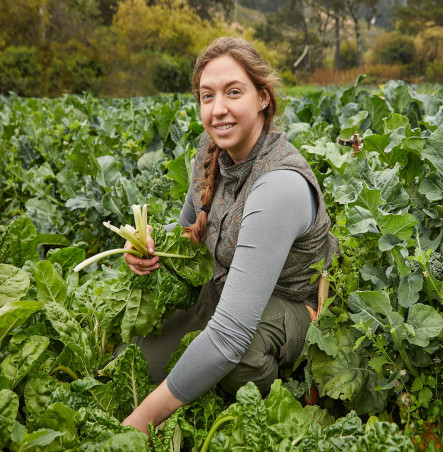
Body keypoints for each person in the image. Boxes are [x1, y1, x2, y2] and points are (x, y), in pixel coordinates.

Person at [120, 36, 338, 437]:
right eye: (207, 96)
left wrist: (139, 425)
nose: (218, 109)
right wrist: (148, 247)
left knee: (235, 357)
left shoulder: (278, 186)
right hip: (226, 288)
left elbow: (229, 335)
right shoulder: (210, 148)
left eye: (233, 92)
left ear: (263, 99)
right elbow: (188, 232)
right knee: (135, 360)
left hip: (292, 303)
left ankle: (290, 390)